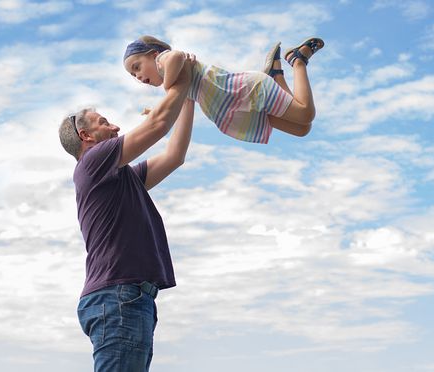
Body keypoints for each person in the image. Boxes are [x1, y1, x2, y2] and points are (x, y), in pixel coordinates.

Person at [58, 56, 196, 371]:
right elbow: (159, 123)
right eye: (104, 122)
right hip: (118, 296)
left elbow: (174, 156)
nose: (116, 126)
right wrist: (184, 77)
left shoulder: (121, 177)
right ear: (86, 137)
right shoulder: (93, 161)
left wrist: (187, 97)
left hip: (128, 297)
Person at [123, 35, 324, 144]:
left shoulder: (163, 60)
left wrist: (167, 84)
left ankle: (297, 61)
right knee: (302, 129)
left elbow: (175, 56)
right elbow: (175, 112)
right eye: (133, 76)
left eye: (137, 67)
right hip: (239, 109)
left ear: (153, 54)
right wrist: (157, 110)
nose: (138, 77)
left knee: (306, 113)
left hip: (246, 91)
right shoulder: (176, 83)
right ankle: (276, 75)